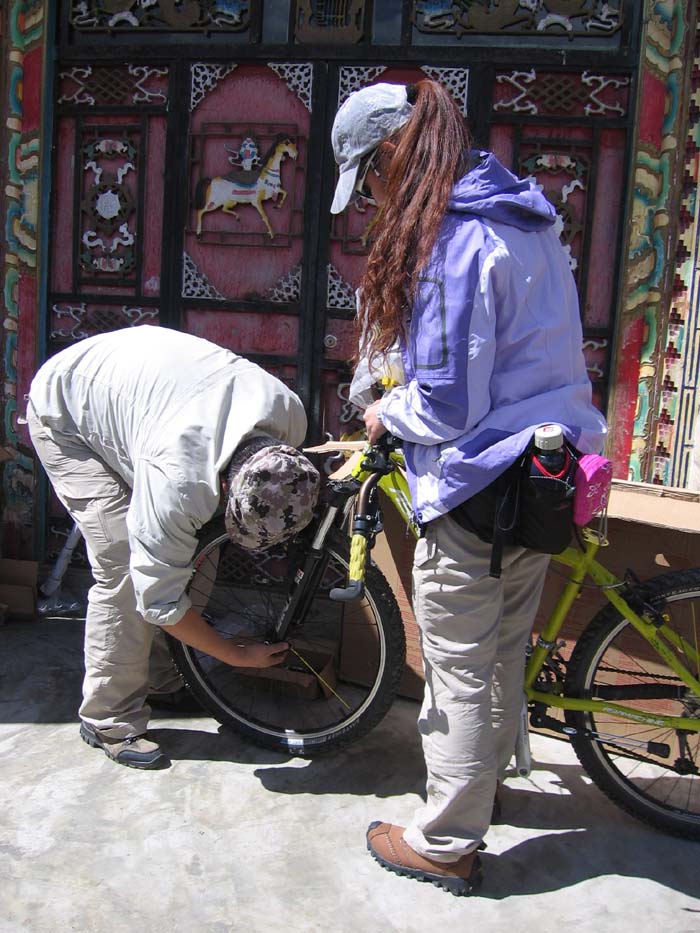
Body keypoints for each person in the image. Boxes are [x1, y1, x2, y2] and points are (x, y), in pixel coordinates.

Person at [330, 81, 607, 895]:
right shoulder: (528, 218)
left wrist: (385, 412)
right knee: (499, 656)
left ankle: (447, 841)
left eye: (369, 180)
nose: (373, 201)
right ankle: (486, 790)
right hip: (544, 477)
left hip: (479, 489)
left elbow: (448, 404)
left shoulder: (453, 241)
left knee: (456, 668)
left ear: (391, 156)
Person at [27, 326, 320, 770]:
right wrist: (235, 654)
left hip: (144, 398)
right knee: (125, 566)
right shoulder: (179, 482)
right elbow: (157, 598)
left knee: (195, 548)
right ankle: (109, 718)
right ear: (226, 487)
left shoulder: (290, 416)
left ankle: (163, 679)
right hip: (68, 411)